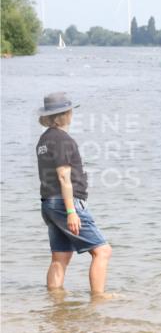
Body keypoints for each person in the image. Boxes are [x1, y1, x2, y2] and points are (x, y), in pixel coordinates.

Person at [35, 92, 114, 299]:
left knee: (60, 256)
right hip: (64, 203)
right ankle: (99, 297)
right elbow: (63, 176)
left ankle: (55, 300)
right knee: (102, 251)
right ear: (62, 115)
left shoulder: (44, 140)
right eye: (69, 111)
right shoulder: (62, 139)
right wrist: (71, 211)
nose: (71, 114)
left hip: (49, 204)